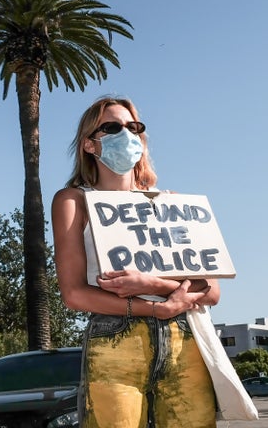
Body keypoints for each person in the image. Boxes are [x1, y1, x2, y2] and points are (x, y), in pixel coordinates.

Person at [51, 96, 221, 427]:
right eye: (112, 127)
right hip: (115, 339)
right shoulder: (73, 201)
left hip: (184, 340)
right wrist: (156, 307)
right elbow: (74, 294)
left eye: (133, 127)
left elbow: (211, 291)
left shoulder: (171, 204)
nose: (125, 135)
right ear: (89, 144)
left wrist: (152, 286)